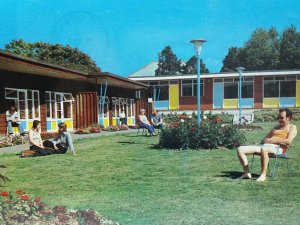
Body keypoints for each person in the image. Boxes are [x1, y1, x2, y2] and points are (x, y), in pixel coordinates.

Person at [236, 108, 297, 182]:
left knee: (264, 149)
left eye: (281, 118)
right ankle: (246, 173)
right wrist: (264, 141)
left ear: (288, 118)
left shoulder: (292, 127)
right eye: (278, 117)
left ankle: (263, 175)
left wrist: (273, 140)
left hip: (279, 148)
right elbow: (265, 139)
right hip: (265, 146)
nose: (279, 119)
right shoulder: (276, 127)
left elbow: (288, 141)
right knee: (240, 149)